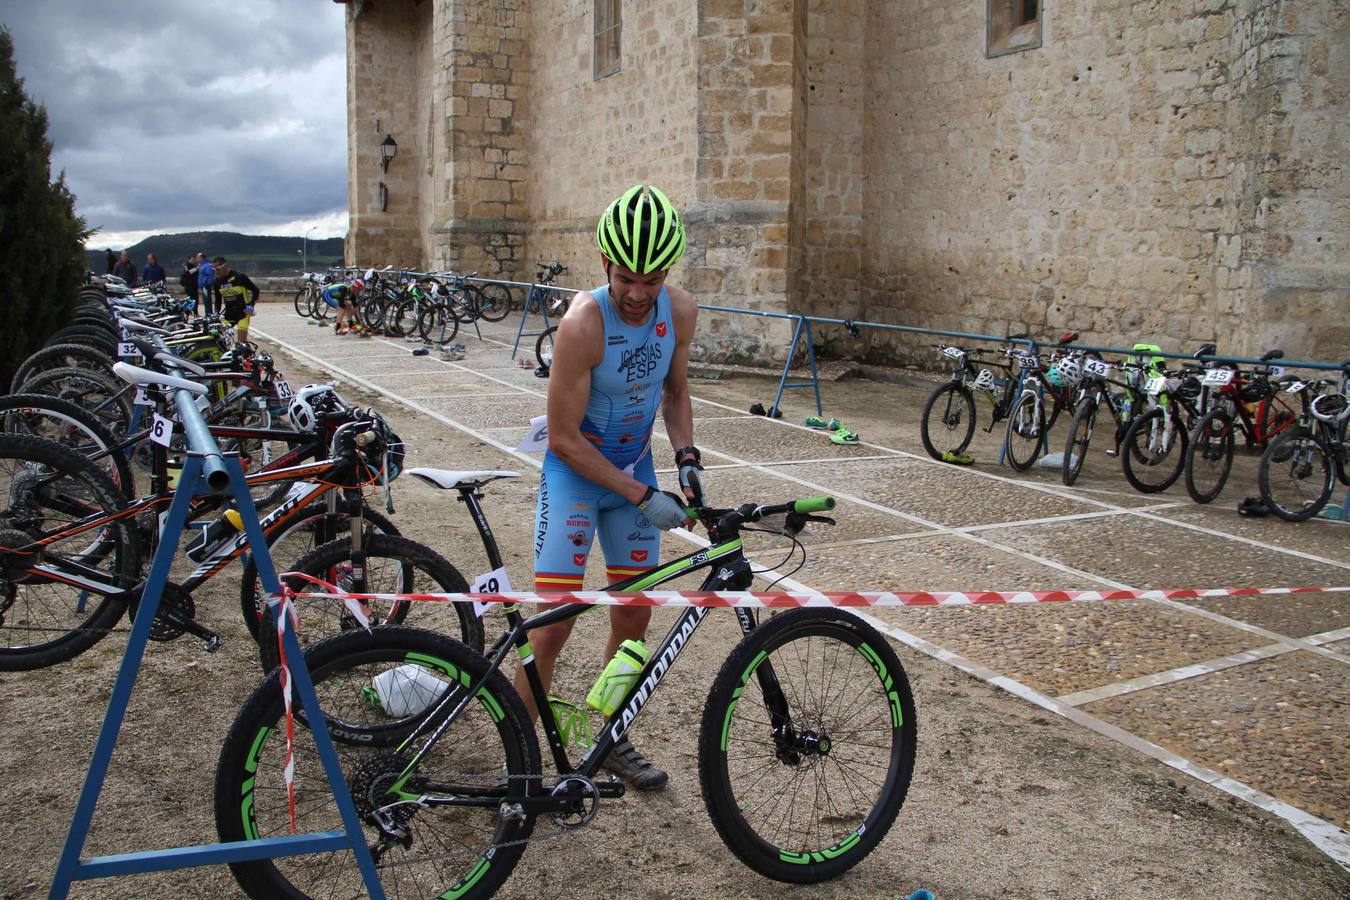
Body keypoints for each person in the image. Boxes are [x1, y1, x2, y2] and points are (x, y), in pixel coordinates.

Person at [521, 185, 699, 792]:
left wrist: (687, 457)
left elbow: (675, 394)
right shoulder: (582, 324)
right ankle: (518, 752)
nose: (638, 293)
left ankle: (611, 734)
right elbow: (565, 440)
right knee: (553, 626)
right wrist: (642, 495)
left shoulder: (680, 312)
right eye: (627, 278)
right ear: (605, 266)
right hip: (577, 476)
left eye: (652, 280)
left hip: (634, 470)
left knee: (633, 613)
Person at [212, 256, 260, 343]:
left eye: (218, 269)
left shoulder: (239, 277)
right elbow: (217, 300)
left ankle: (246, 354)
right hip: (229, 313)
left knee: (241, 342)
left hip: (243, 312)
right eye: (214, 269)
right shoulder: (216, 282)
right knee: (217, 338)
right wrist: (216, 313)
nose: (216, 272)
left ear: (225, 266)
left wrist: (251, 306)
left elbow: (255, 290)